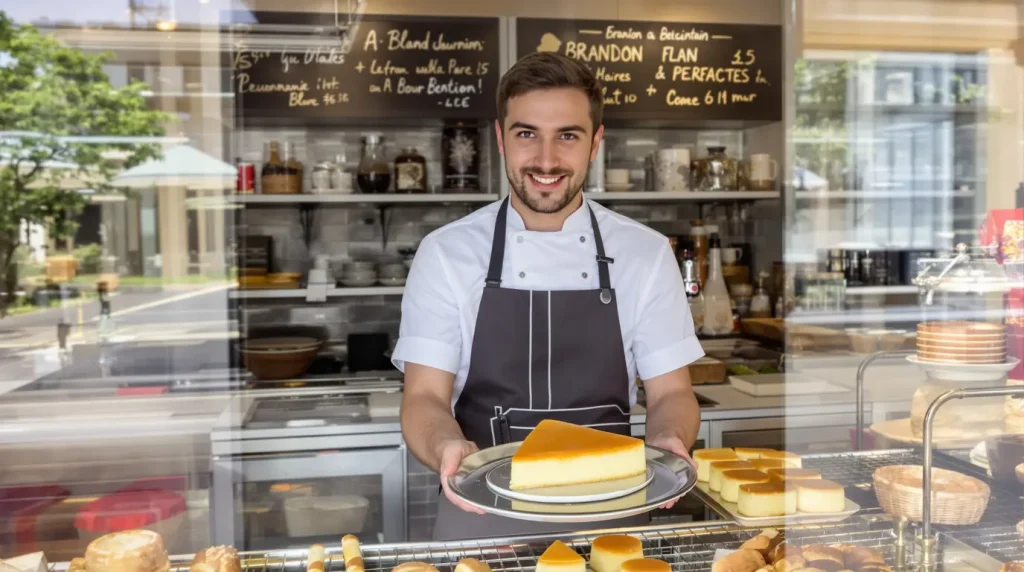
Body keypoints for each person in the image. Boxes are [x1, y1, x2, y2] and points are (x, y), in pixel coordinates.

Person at [391, 52, 704, 540]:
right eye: (526, 133)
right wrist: (446, 446)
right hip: (481, 519)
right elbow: (424, 398)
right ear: (500, 138)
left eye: (568, 135)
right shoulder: (446, 254)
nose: (545, 160)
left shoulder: (644, 254)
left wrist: (669, 439)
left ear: (595, 142)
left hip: (612, 517)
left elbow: (673, 393)